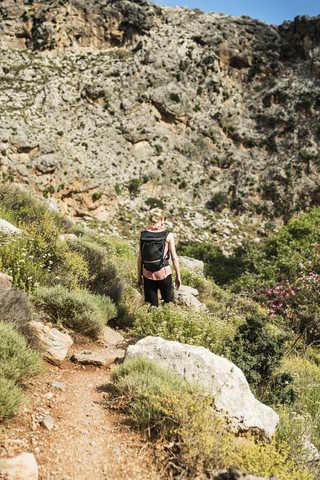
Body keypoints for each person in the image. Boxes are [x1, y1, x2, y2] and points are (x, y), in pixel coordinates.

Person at [137, 208, 181, 307]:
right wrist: (178, 276)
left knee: (152, 306)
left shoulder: (144, 235)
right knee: (166, 304)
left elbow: (140, 258)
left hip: (147, 274)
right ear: (162, 219)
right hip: (164, 273)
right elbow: (174, 258)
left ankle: (150, 320)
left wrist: (139, 277)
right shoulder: (168, 235)